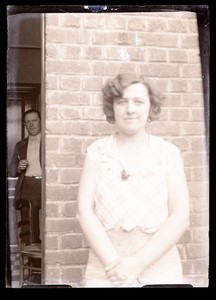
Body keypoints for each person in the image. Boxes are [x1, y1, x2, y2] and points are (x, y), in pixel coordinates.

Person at [76, 73, 190, 287]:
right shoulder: (97, 153)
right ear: (112, 107)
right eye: (122, 102)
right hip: (106, 266)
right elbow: (84, 211)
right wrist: (114, 264)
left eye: (138, 102)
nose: (130, 109)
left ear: (150, 107)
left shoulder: (168, 154)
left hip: (159, 264)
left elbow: (180, 216)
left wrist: (139, 262)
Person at [9, 108, 42, 245]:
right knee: (28, 227)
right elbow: (11, 171)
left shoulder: (49, 142)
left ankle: (45, 261)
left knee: (45, 225)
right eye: (28, 122)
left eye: (34, 120)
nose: (31, 124)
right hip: (27, 188)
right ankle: (31, 262)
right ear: (24, 125)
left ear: (41, 121)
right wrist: (18, 167)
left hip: (46, 187)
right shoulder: (20, 145)